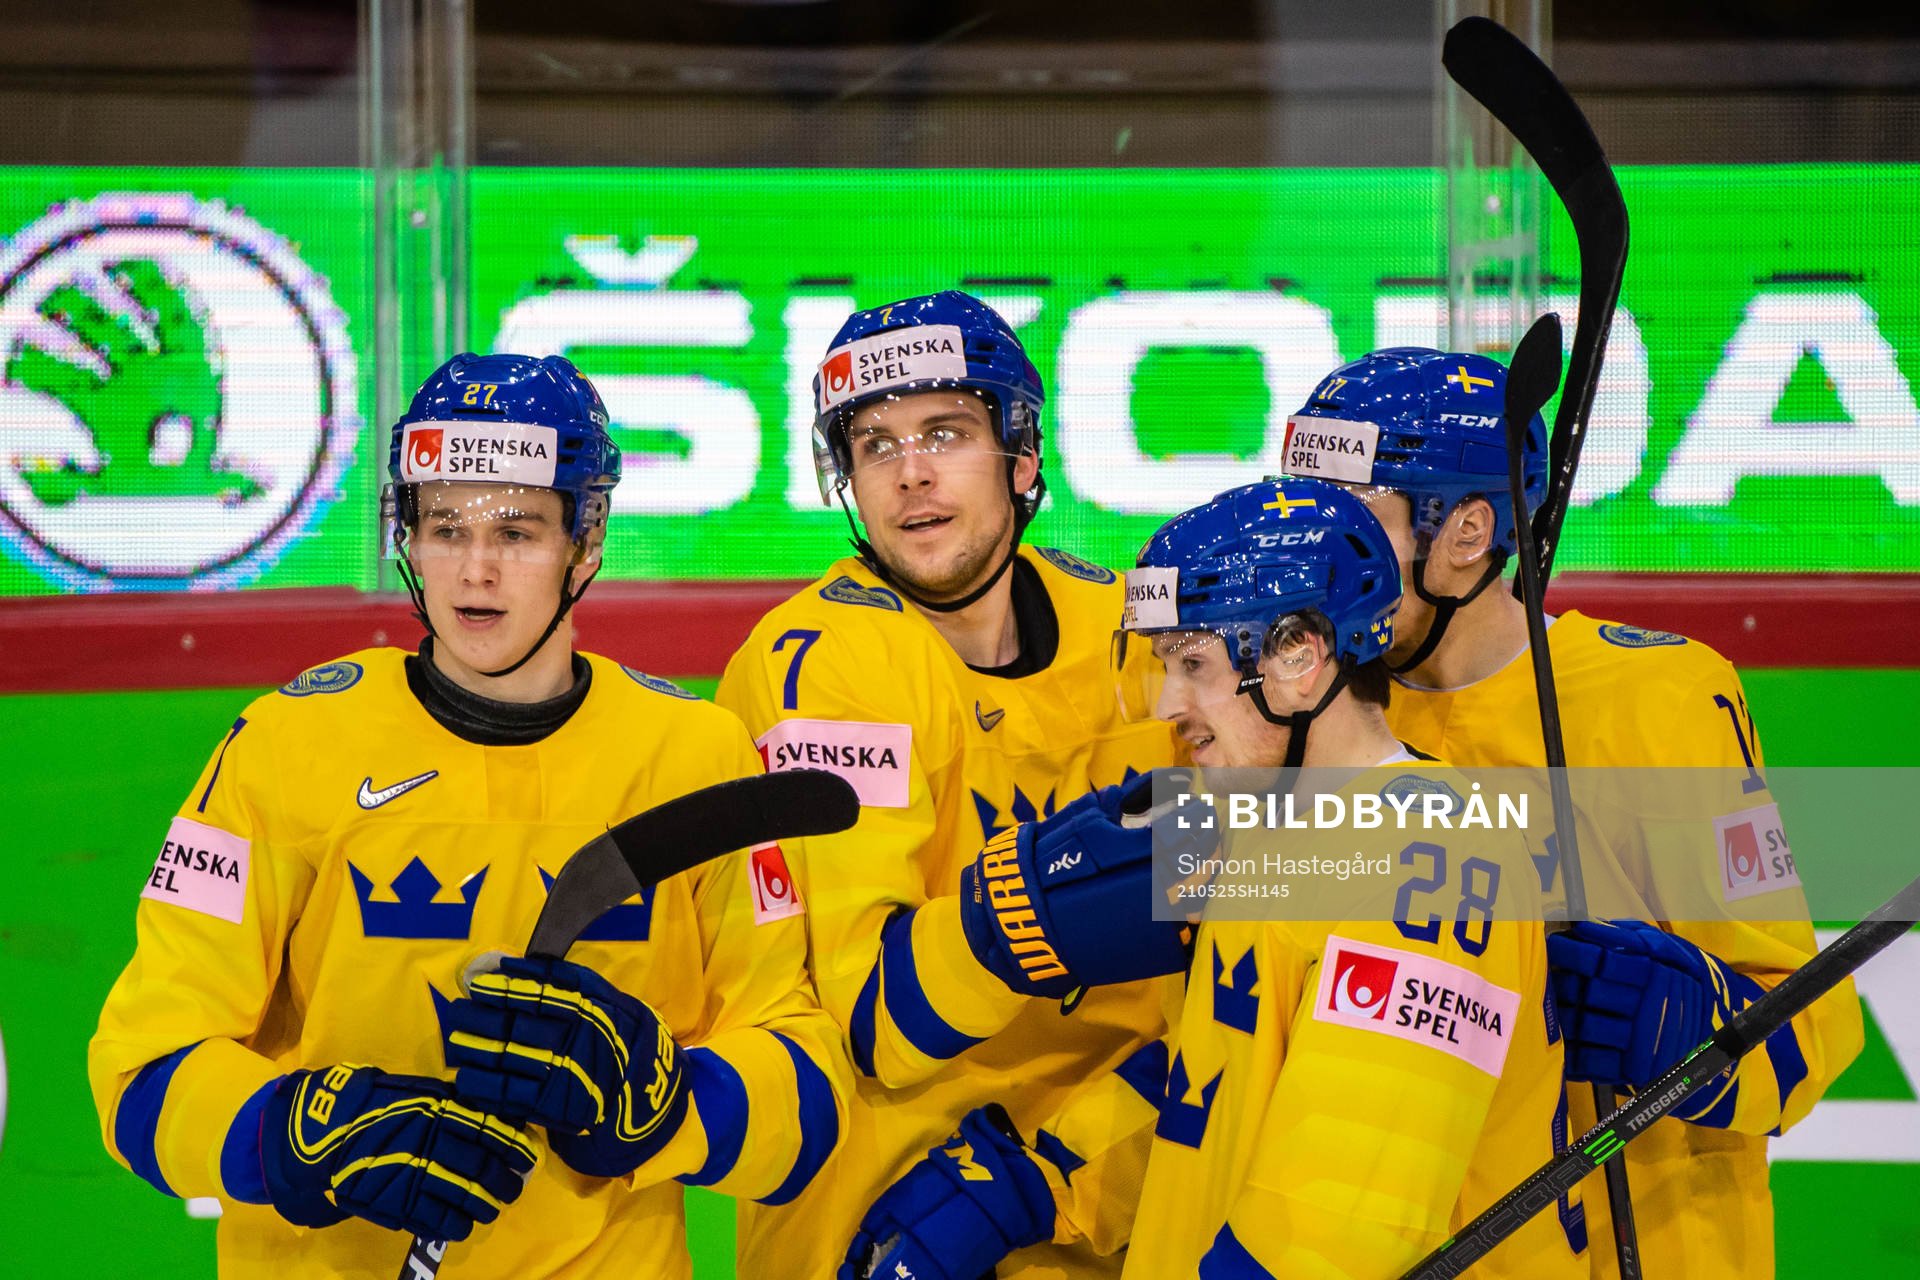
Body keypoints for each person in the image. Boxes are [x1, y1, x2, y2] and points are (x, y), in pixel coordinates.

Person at [88, 353, 847, 1280]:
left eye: (518, 531)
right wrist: (295, 1136)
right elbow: (138, 1076)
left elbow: (807, 1102)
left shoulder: (695, 755)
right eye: (445, 527)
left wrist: (667, 1105)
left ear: (588, 539)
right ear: (407, 537)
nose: (475, 570)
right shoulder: (285, 744)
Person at [848, 477, 1583, 1279]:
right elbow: (1215, 1087)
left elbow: (1333, 1233)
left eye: (1193, 663)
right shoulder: (1272, 832)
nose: (1168, 703)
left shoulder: (1432, 864)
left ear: (1301, 658)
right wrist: (1033, 1178)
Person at [1281, 346, 1865, 1277]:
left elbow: (1812, 1029)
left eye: (1355, 523)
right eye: (1301, 518)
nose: (1314, 559)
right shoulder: (1297, 712)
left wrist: (1689, 1019)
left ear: (1469, 532)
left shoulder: (1658, 698)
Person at [716, 290, 1183, 1279]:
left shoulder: (1132, 625)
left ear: (1021, 456)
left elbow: (1291, 901)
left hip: (1107, 1204)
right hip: (886, 1225)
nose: (910, 472)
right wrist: (1045, 903)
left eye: (945, 431)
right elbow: (879, 1022)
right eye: (874, 444)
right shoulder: (818, 660)